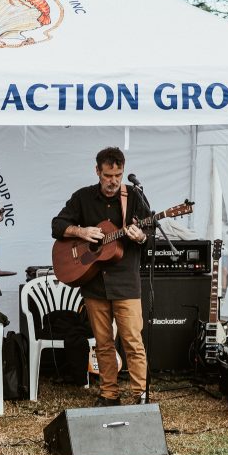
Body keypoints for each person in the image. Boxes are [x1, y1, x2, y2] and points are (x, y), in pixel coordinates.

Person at [51, 147, 150, 405]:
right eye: (108, 175)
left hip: (126, 282)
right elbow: (57, 225)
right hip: (94, 282)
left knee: (132, 341)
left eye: (118, 175)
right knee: (103, 343)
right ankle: (109, 394)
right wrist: (81, 232)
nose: (113, 181)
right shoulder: (82, 198)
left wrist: (141, 237)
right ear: (98, 171)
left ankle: (140, 395)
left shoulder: (135, 197)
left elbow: (150, 238)